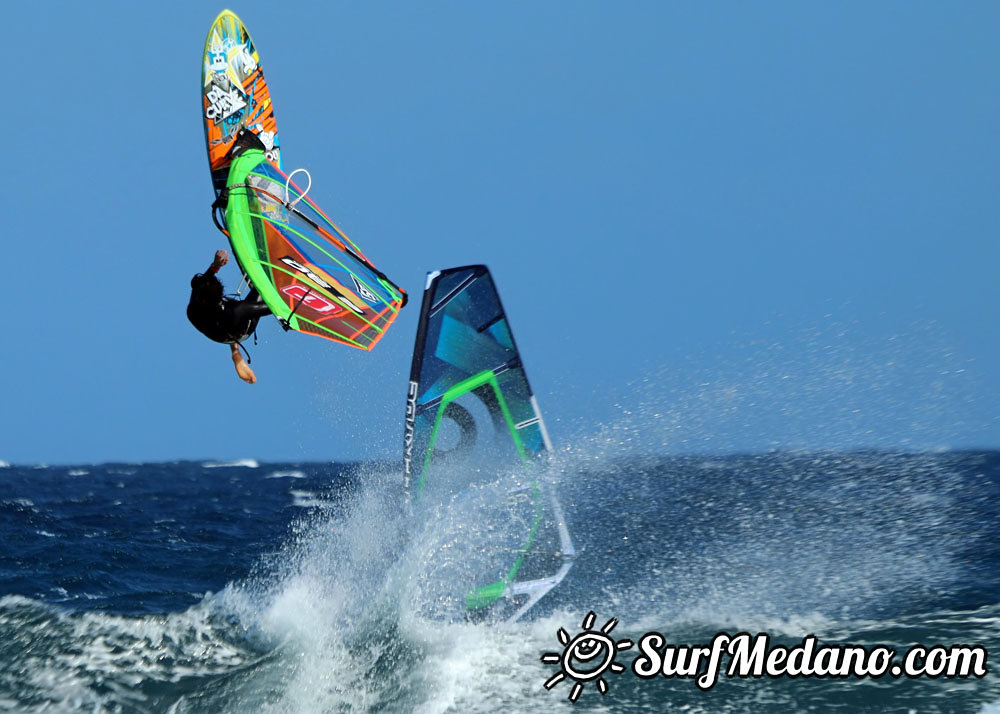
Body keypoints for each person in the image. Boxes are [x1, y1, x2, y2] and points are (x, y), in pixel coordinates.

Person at [187, 249, 271, 384]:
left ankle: (235, 354)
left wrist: (216, 265)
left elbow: (202, 283)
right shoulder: (238, 311)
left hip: (218, 329)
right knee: (266, 283)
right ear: (219, 299)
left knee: (223, 320)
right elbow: (274, 307)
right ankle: (236, 355)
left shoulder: (194, 305)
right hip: (241, 331)